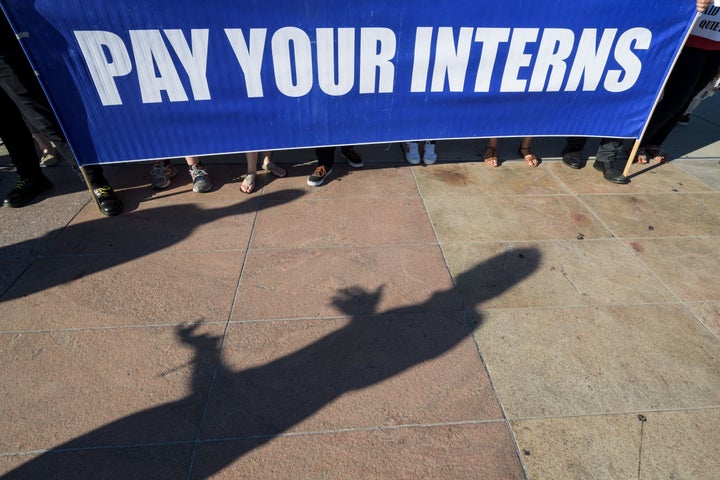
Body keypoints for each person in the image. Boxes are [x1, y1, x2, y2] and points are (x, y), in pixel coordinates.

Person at [0, 13, 122, 215]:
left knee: (42, 116)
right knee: (6, 122)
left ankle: (96, 180)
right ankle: (30, 177)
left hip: (7, 42)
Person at [636, 0, 720, 164]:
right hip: (690, 38)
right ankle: (640, 142)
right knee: (676, 98)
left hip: (715, 45)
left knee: (687, 99)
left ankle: (655, 142)